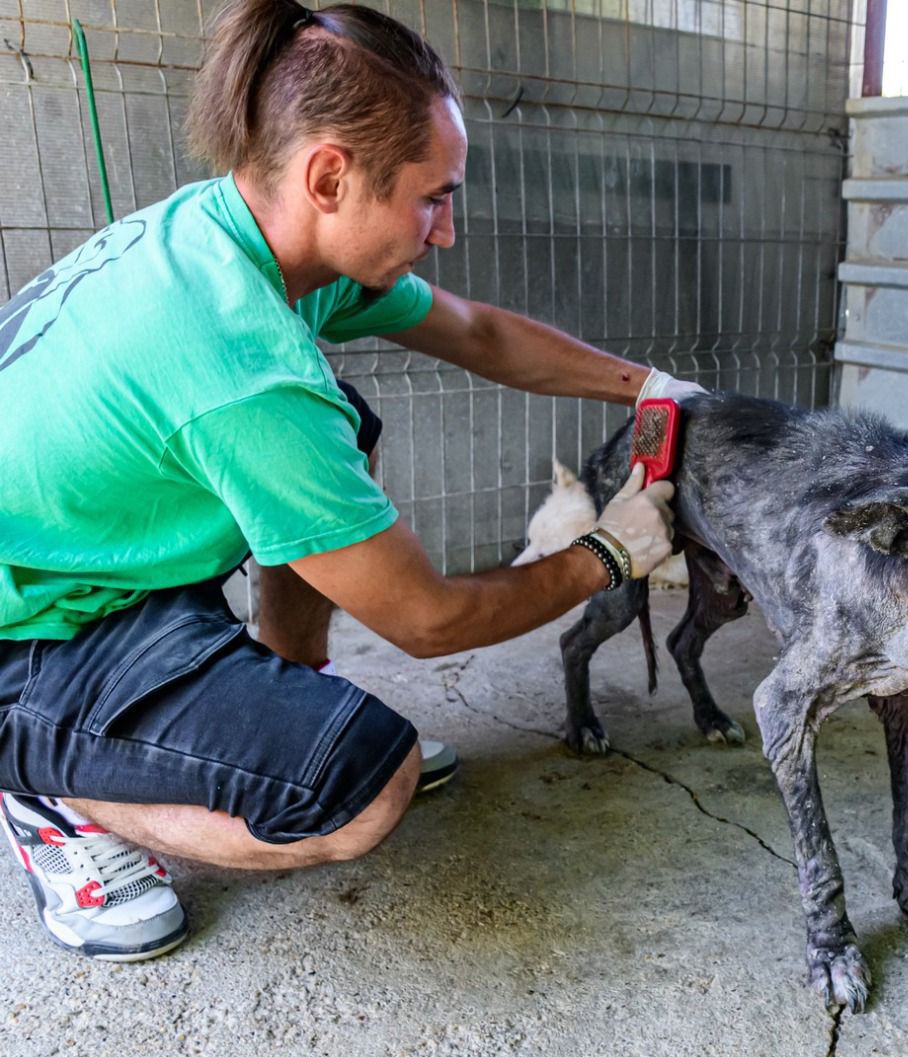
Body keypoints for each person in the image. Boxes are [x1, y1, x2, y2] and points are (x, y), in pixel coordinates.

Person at [0, 0, 699, 961]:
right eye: (433, 196)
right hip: (31, 635)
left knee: (345, 420)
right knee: (362, 786)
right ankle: (56, 786)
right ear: (330, 174)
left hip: (83, 563)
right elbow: (429, 621)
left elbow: (476, 331)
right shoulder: (241, 366)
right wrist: (607, 553)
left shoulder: (246, 236)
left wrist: (655, 388)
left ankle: (285, 680)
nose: (446, 229)